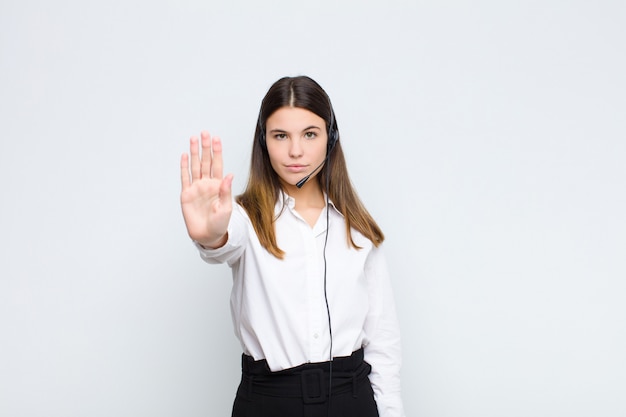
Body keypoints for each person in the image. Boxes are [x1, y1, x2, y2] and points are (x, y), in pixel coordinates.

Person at [180, 76, 405, 417]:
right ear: (263, 141)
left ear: (331, 139)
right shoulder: (243, 218)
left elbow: (383, 343)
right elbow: (223, 242)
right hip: (269, 401)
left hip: (351, 399)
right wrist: (210, 234)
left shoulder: (358, 229)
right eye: (280, 135)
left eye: (310, 134)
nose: (295, 151)